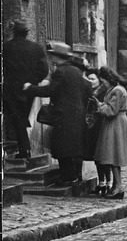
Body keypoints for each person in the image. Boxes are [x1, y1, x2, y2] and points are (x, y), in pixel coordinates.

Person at [25, 41, 91, 186]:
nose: (50, 58)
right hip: (76, 115)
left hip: (63, 115)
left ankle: (67, 178)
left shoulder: (60, 72)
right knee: (73, 147)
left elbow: (50, 91)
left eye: (52, 55)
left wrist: (31, 88)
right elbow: (86, 90)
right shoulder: (76, 71)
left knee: (62, 147)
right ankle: (75, 176)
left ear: (57, 56)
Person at [2, 20, 49, 159]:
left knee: (17, 118)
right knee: (21, 118)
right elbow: (44, 70)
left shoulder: (6, 47)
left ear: (14, 32)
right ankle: (23, 149)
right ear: (27, 33)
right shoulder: (36, 48)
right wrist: (32, 83)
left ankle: (24, 149)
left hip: (11, 89)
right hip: (29, 90)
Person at [94, 66, 127, 199]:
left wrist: (99, 106)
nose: (102, 83)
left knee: (113, 156)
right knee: (114, 156)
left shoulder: (116, 90)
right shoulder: (117, 89)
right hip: (117, 123)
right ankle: (117, 185)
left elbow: (111, 110)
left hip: (115, 124)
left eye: (103, 80)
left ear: (107, 78)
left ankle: (118, 187)